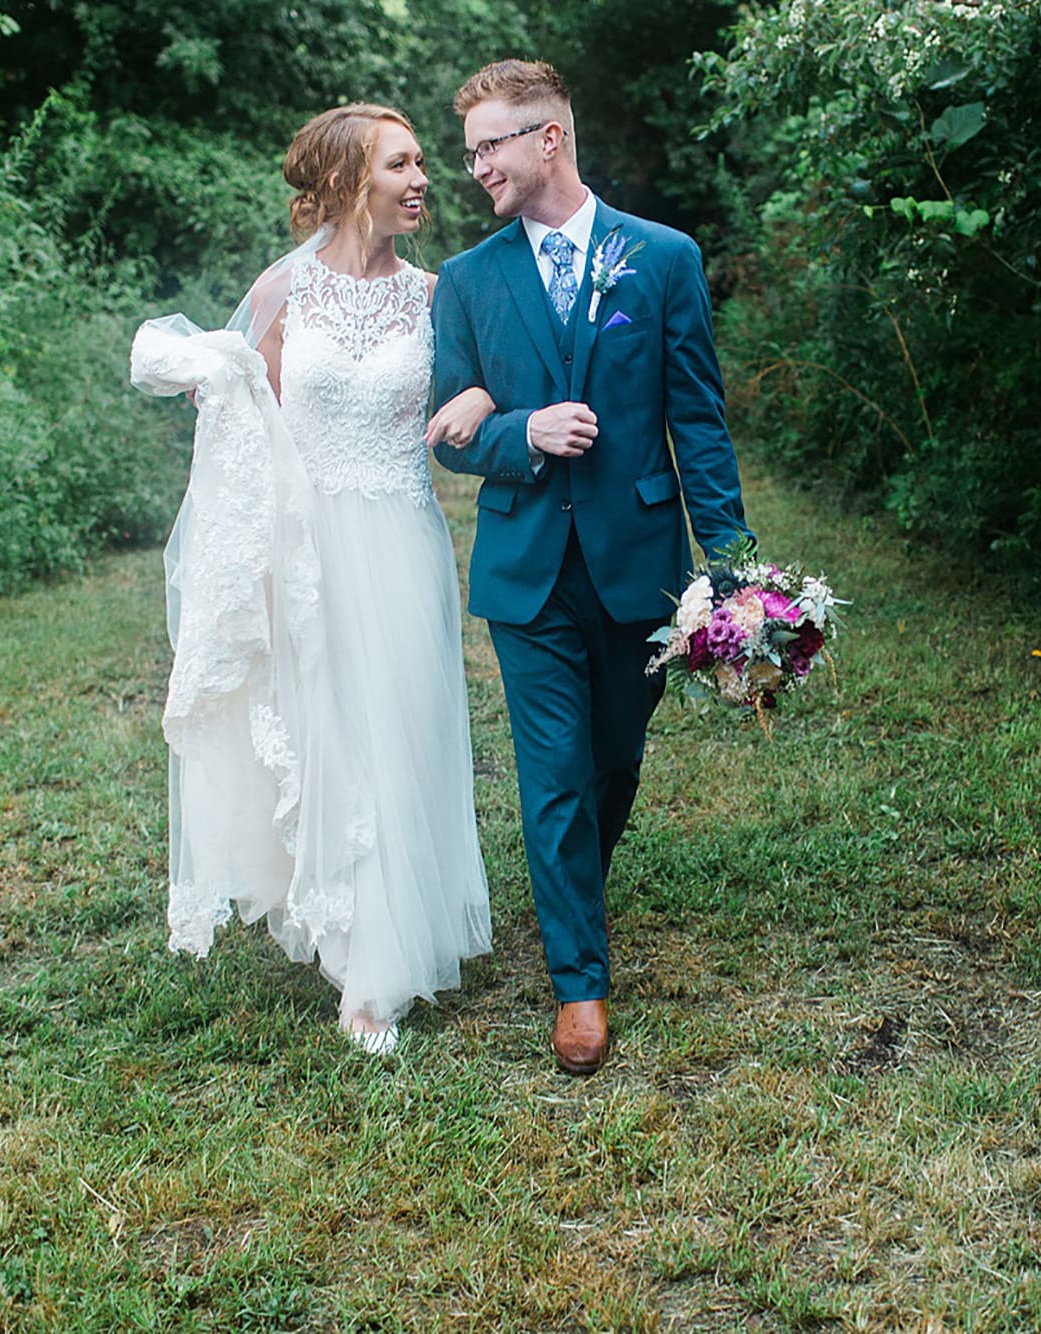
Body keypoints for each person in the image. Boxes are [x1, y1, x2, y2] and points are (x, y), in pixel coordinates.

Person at [133, 104, 495, 1056]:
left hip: (405, 541)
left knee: (399, 728)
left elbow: (486, 377)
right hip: (312, 547)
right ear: (345, 179)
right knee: (330, 729)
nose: (423, 181)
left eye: (423, 164)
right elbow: (244, 424)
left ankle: (386, 938)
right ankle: (359, 961)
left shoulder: (433, 296)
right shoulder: (282, 291)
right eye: (401, 165)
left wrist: (480, 396)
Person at [426, 61, 751, 1075]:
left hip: (635, 562)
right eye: (469, 148)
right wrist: (522, 427)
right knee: (553, 775)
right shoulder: (468, 281)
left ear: (548, 139)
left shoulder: (660, 259)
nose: (475, 166)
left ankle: (574, 890)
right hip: (526, 569)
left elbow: (695, 417)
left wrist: (732, 568)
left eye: (490, 145)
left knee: (614, 757)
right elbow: (447, 429)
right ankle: (578, 981)